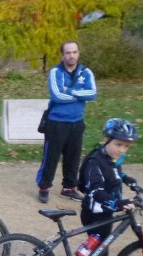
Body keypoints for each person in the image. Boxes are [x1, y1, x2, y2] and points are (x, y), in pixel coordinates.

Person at [75, 118, 140, 256]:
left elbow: (116, 173)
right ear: (106, 140)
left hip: (106, 212)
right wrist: (119, 203)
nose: (121, 150)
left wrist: (129, 180)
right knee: (97, 251)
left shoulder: (111, 159)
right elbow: (95, 191)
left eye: (126, 146)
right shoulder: (95, 161)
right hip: (95, 213)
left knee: (102, 251)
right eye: (118, 144)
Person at [36, 40, 97, 203]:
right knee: (51, 156)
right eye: (68, 53)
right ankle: (44, 186)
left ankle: (69, 187)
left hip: (77, 122)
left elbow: (92, 93)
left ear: (79, 53)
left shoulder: (86, 72)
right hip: (56, 122)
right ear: (63, 55)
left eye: (74, 52)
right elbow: (57, 96)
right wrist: (79, 94)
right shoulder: (55, 72)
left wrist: (69, 90)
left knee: (73, 157)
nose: (72, 55)